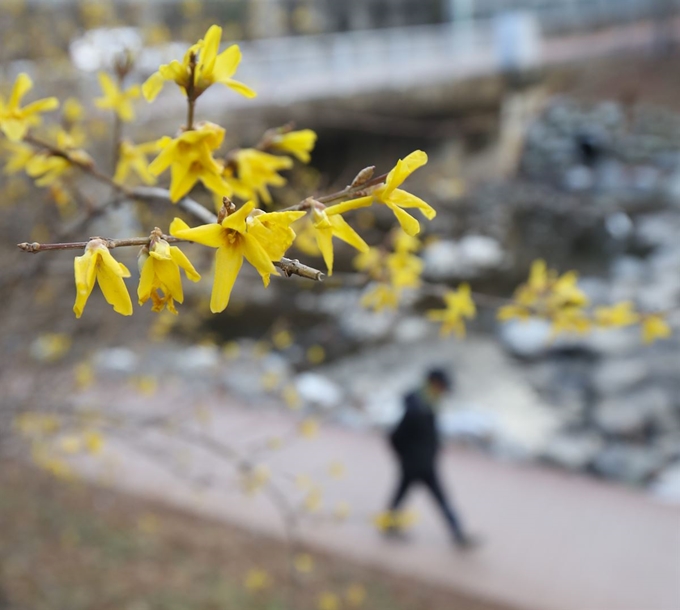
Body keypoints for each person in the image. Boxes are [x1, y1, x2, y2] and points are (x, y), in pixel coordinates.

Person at [386, 368, 478, 549]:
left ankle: (389, 523)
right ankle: (458, 535)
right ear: (434, 384)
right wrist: (407, 458)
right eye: (442, 387)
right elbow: (396, 437)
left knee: (403, 496)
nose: (444, 391)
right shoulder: (417, 409)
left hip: (424, 464)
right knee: (439, 499)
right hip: (417, 465)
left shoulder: (429, 404)